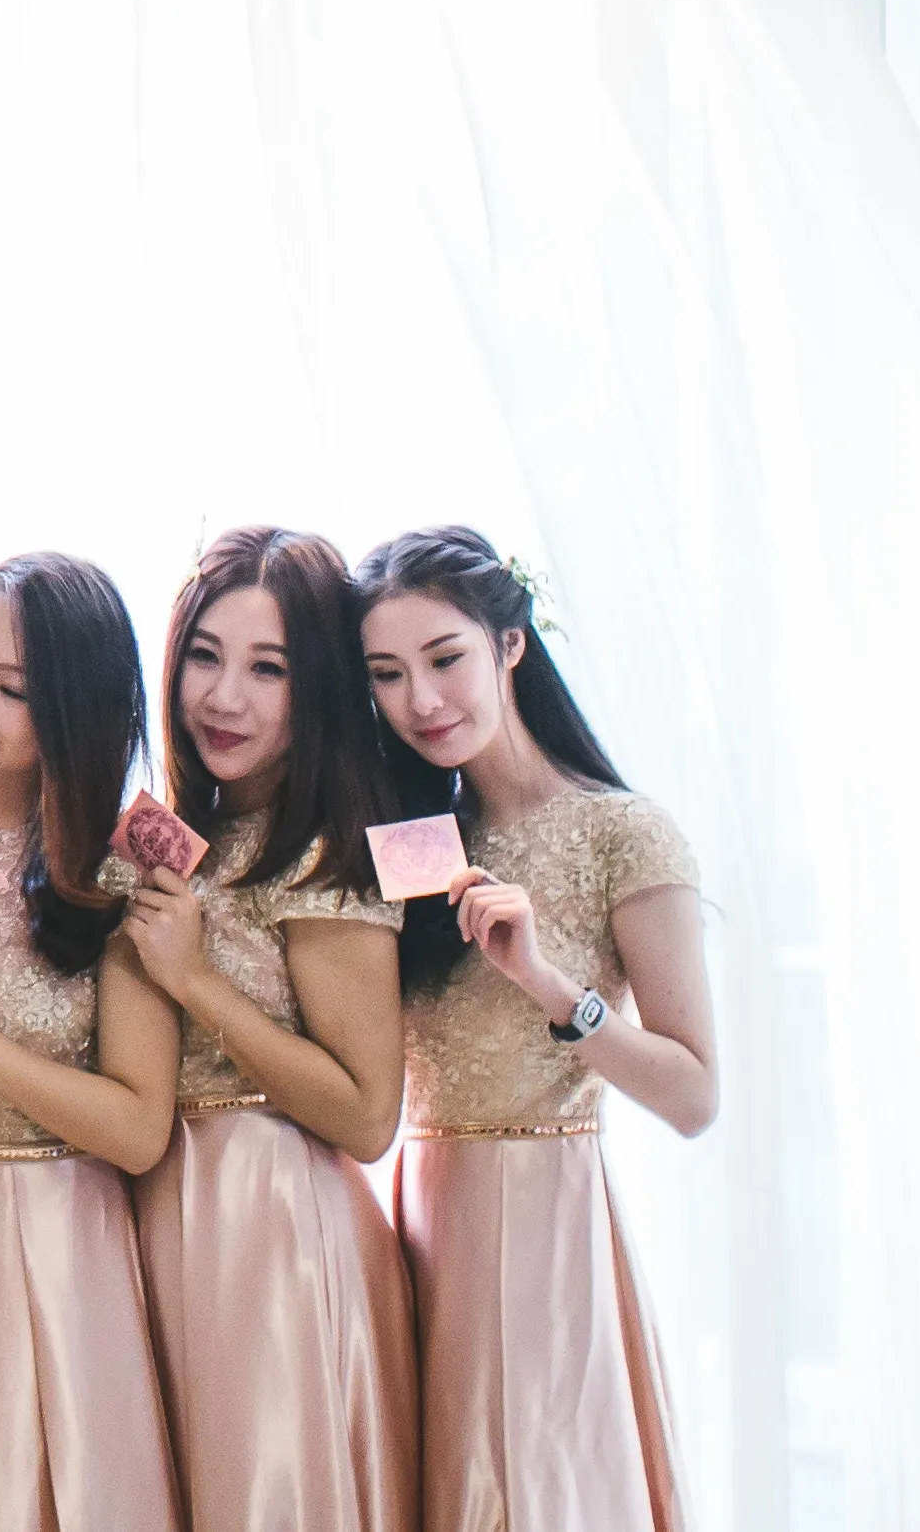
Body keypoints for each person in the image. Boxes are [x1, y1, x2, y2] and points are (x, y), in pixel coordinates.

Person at [356, 528, 713, 1532]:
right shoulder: (414, 839)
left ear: (508, 642)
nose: (421, 699)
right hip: (414, 1225)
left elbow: (693, 1095)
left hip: (539, 1224)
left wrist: (549, 986)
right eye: (386, 674)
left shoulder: (620, 830)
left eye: (443, 657)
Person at [0, 552, 185, 1532]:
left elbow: (139, 1128)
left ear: (72, 707)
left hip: (59, 1241)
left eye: (12, 689)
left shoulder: (121, 862)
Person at [125, 527, 416, 1532]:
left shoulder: (325, 850)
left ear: (320, 687)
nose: (221, 696)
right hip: (153, 1215)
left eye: (267, 668)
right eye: (203, 654)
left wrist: (196, 981)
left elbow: (369, 1114)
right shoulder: (168, 835)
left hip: (271, 1231)